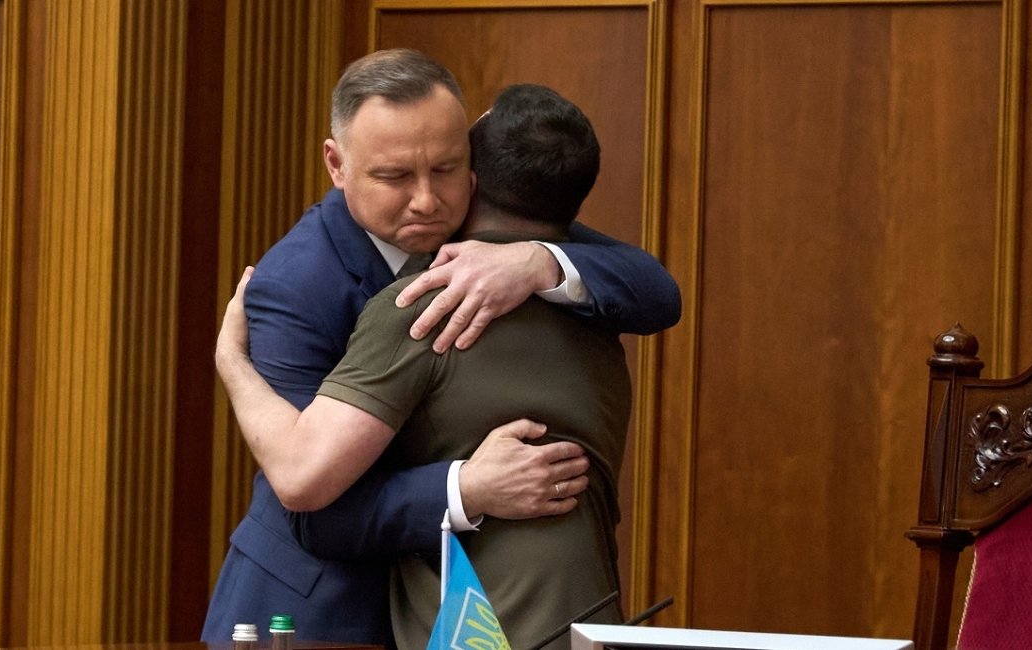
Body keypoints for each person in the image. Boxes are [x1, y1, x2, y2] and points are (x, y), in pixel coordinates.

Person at [201, 49, 680, 647]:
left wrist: (534, 262)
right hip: (315, 611)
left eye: (447, 169)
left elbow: (654, 289)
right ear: (337, 164)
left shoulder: (475, 226)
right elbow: (312, 507)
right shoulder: (295, 285)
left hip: (443, 608)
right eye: (395, 177)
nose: (427, 200)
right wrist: (466, 488)